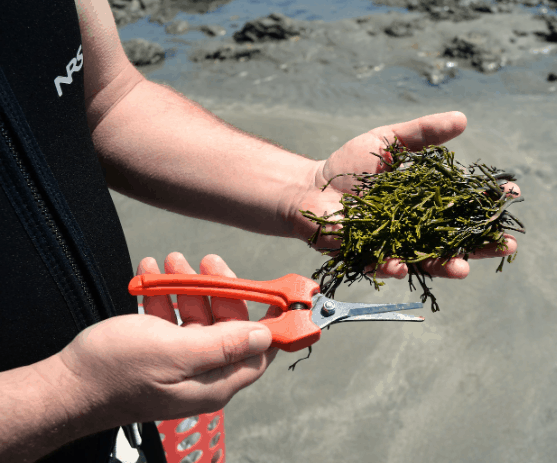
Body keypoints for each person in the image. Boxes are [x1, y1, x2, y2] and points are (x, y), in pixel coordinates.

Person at [0, 0, 521, 462]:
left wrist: (303, 188)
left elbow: (108, 98)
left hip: (121, 423)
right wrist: (66, 394)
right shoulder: (84, 392)